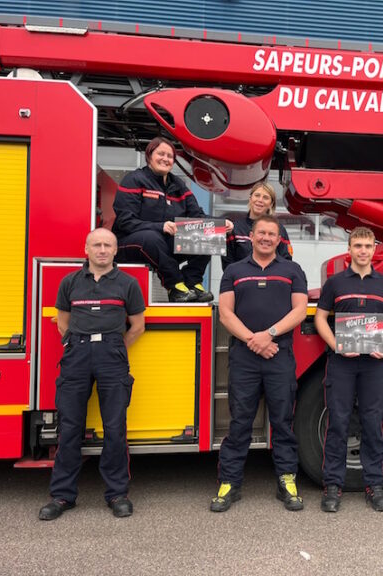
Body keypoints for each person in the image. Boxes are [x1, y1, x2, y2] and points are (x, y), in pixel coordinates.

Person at [39, 228, 145, 521]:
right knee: (70, 427)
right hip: (77, 356)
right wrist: (77, 344)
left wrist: (116, 348)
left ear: (115, 251)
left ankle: (117, 494)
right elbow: (63, 322)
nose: (102, 250)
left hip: (112, 355)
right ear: (86, 249)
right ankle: (62, 496)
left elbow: (137, 326)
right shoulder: (70, 282)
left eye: (107, 245)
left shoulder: (127, 284)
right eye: (96, 245)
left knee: (115, 428)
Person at [210, 215, 308, 512]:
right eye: (261, 233)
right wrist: (254, 340)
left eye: (272, 234)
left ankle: (287, 480)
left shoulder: (292, 270)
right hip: (244, 357)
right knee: (240, 421)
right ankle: (229, 483)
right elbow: (226, 314)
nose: (266, 238)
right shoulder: (235, 271)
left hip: (280, 354)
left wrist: (269, 335)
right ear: (251, 237)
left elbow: (300, 310)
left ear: (279, 240)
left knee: (282, 420)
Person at [314, 227, 383, 513]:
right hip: (342, 363)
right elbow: (320, 317)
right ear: (349, 248)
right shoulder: (335, 283)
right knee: (338, 422)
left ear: (375, 250)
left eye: (368, 246)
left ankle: (374, 485)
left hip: (374, 364)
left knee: (373, 423)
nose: (363, 251)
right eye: (358, 246)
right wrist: (337, 344)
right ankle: (333, 486)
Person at [112, 136, 231, 303]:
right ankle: (174, 286)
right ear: (149, 156)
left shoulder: (179, 185)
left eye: (170, 156)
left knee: (209, 232)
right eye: (161, 154)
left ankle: (192, 282)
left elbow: (197, 216)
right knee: (152, 237)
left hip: (164, 245)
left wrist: (219, 223)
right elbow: (125, 221)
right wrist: (160, 226)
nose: (165, 159)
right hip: (130, 243)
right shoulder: (134, 179)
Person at [222, 181, 292, 269]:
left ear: (271, 204)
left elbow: (287, 261)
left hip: (272, 281)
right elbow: (227, 264)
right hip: (242, 280)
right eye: (257, 195)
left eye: (265, 197)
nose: (260, 200)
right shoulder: (235, 228)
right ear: (250, 199)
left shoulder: (279, 230)